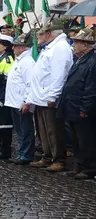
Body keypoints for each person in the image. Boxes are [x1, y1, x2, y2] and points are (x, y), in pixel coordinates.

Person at [25, 20, 73, 172]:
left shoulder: (60, 48)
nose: (38, 36)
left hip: (48, 97)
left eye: (40, 33)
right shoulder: (50, 47)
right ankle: (47, 156)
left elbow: (59, 74)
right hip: (40, 96)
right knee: (43, 130)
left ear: (49, 34)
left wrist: (53, 96)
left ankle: (58, 159)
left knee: (54, 131)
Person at [56, 28, 96, 179]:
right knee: (76, 140)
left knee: (86, 139)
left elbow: (91, 88)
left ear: (86, 45)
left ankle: (90, 168)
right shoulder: (80, 59)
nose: (73, 45)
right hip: (72, 106)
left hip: (81, 108)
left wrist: (85, 108)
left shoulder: (92, 62)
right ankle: (79, 165)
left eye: (77, 43)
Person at [4, 33, 37, 165]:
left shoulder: (27, 62)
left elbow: (30, 83)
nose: (13, 49)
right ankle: (22, 152)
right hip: (14, 101)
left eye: (16, 46)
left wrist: (26, 102)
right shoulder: (20, 60)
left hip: (21, 103)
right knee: (19, 130)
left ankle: (26, 154)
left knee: (25, 130)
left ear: (22, 48)